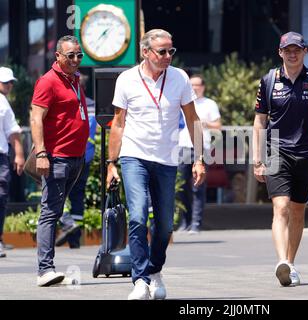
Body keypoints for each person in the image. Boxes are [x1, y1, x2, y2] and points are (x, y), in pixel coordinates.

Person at [107, 29, 206, 300]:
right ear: (145, 52)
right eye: (161, 51)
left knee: (164, 226)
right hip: (133, 155)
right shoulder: (126, 79)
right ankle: (139, 280)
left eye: (170, 51)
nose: (167, 56)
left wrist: (199, 158)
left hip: (166, 159)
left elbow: (193, 118)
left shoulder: (180, 78)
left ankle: (154, 270)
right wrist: (111, 164)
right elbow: (118, 123)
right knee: (138, 216)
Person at [252, 32, 308, 287]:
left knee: (298, 212)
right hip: (277, 152)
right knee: (281, 208)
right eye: (287, 50)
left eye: (296, 50)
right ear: (280, 52)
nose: (292, 54)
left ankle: (290, 262)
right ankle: (282, 262)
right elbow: (259, 122)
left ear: (304, 52)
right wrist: (257, 159)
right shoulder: (269, 80)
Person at [30, 35, 89, 286]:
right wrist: (42, 153)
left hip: (76, 157)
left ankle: (48, 266)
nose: (76, 60)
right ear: (58, 57)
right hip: (57, 158)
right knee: (50, 212)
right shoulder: (48, 81)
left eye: (79, 55)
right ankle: (45, 270)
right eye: (70, 56)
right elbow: (35, 119)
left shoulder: (74, 80)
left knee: (59, 210)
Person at [55, 74, 97, 249]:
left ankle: (67, 222)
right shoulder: (94, 106)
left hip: (68, 154)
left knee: (57, 191)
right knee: (77, 195)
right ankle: (75, 238)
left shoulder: (70, 102)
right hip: (86, 156)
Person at [177, 74, 221, 234]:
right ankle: (185, 221)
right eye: (192, 85)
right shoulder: (183, 101)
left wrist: (205, 123)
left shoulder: (210, 104)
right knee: (181, 186)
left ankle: (196, 223)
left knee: (198, 187)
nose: (194, 88)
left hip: (202, 147)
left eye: (197, 85)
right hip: (182, 146)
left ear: (203, 87)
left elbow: (218, 125)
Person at [0, 67, 25, 258]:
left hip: (1, 156)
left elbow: (12, 132)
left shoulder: (3, 103)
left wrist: (19, 155)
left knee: (1, 197)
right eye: (5, 82)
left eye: (10, 82)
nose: (9, 86)